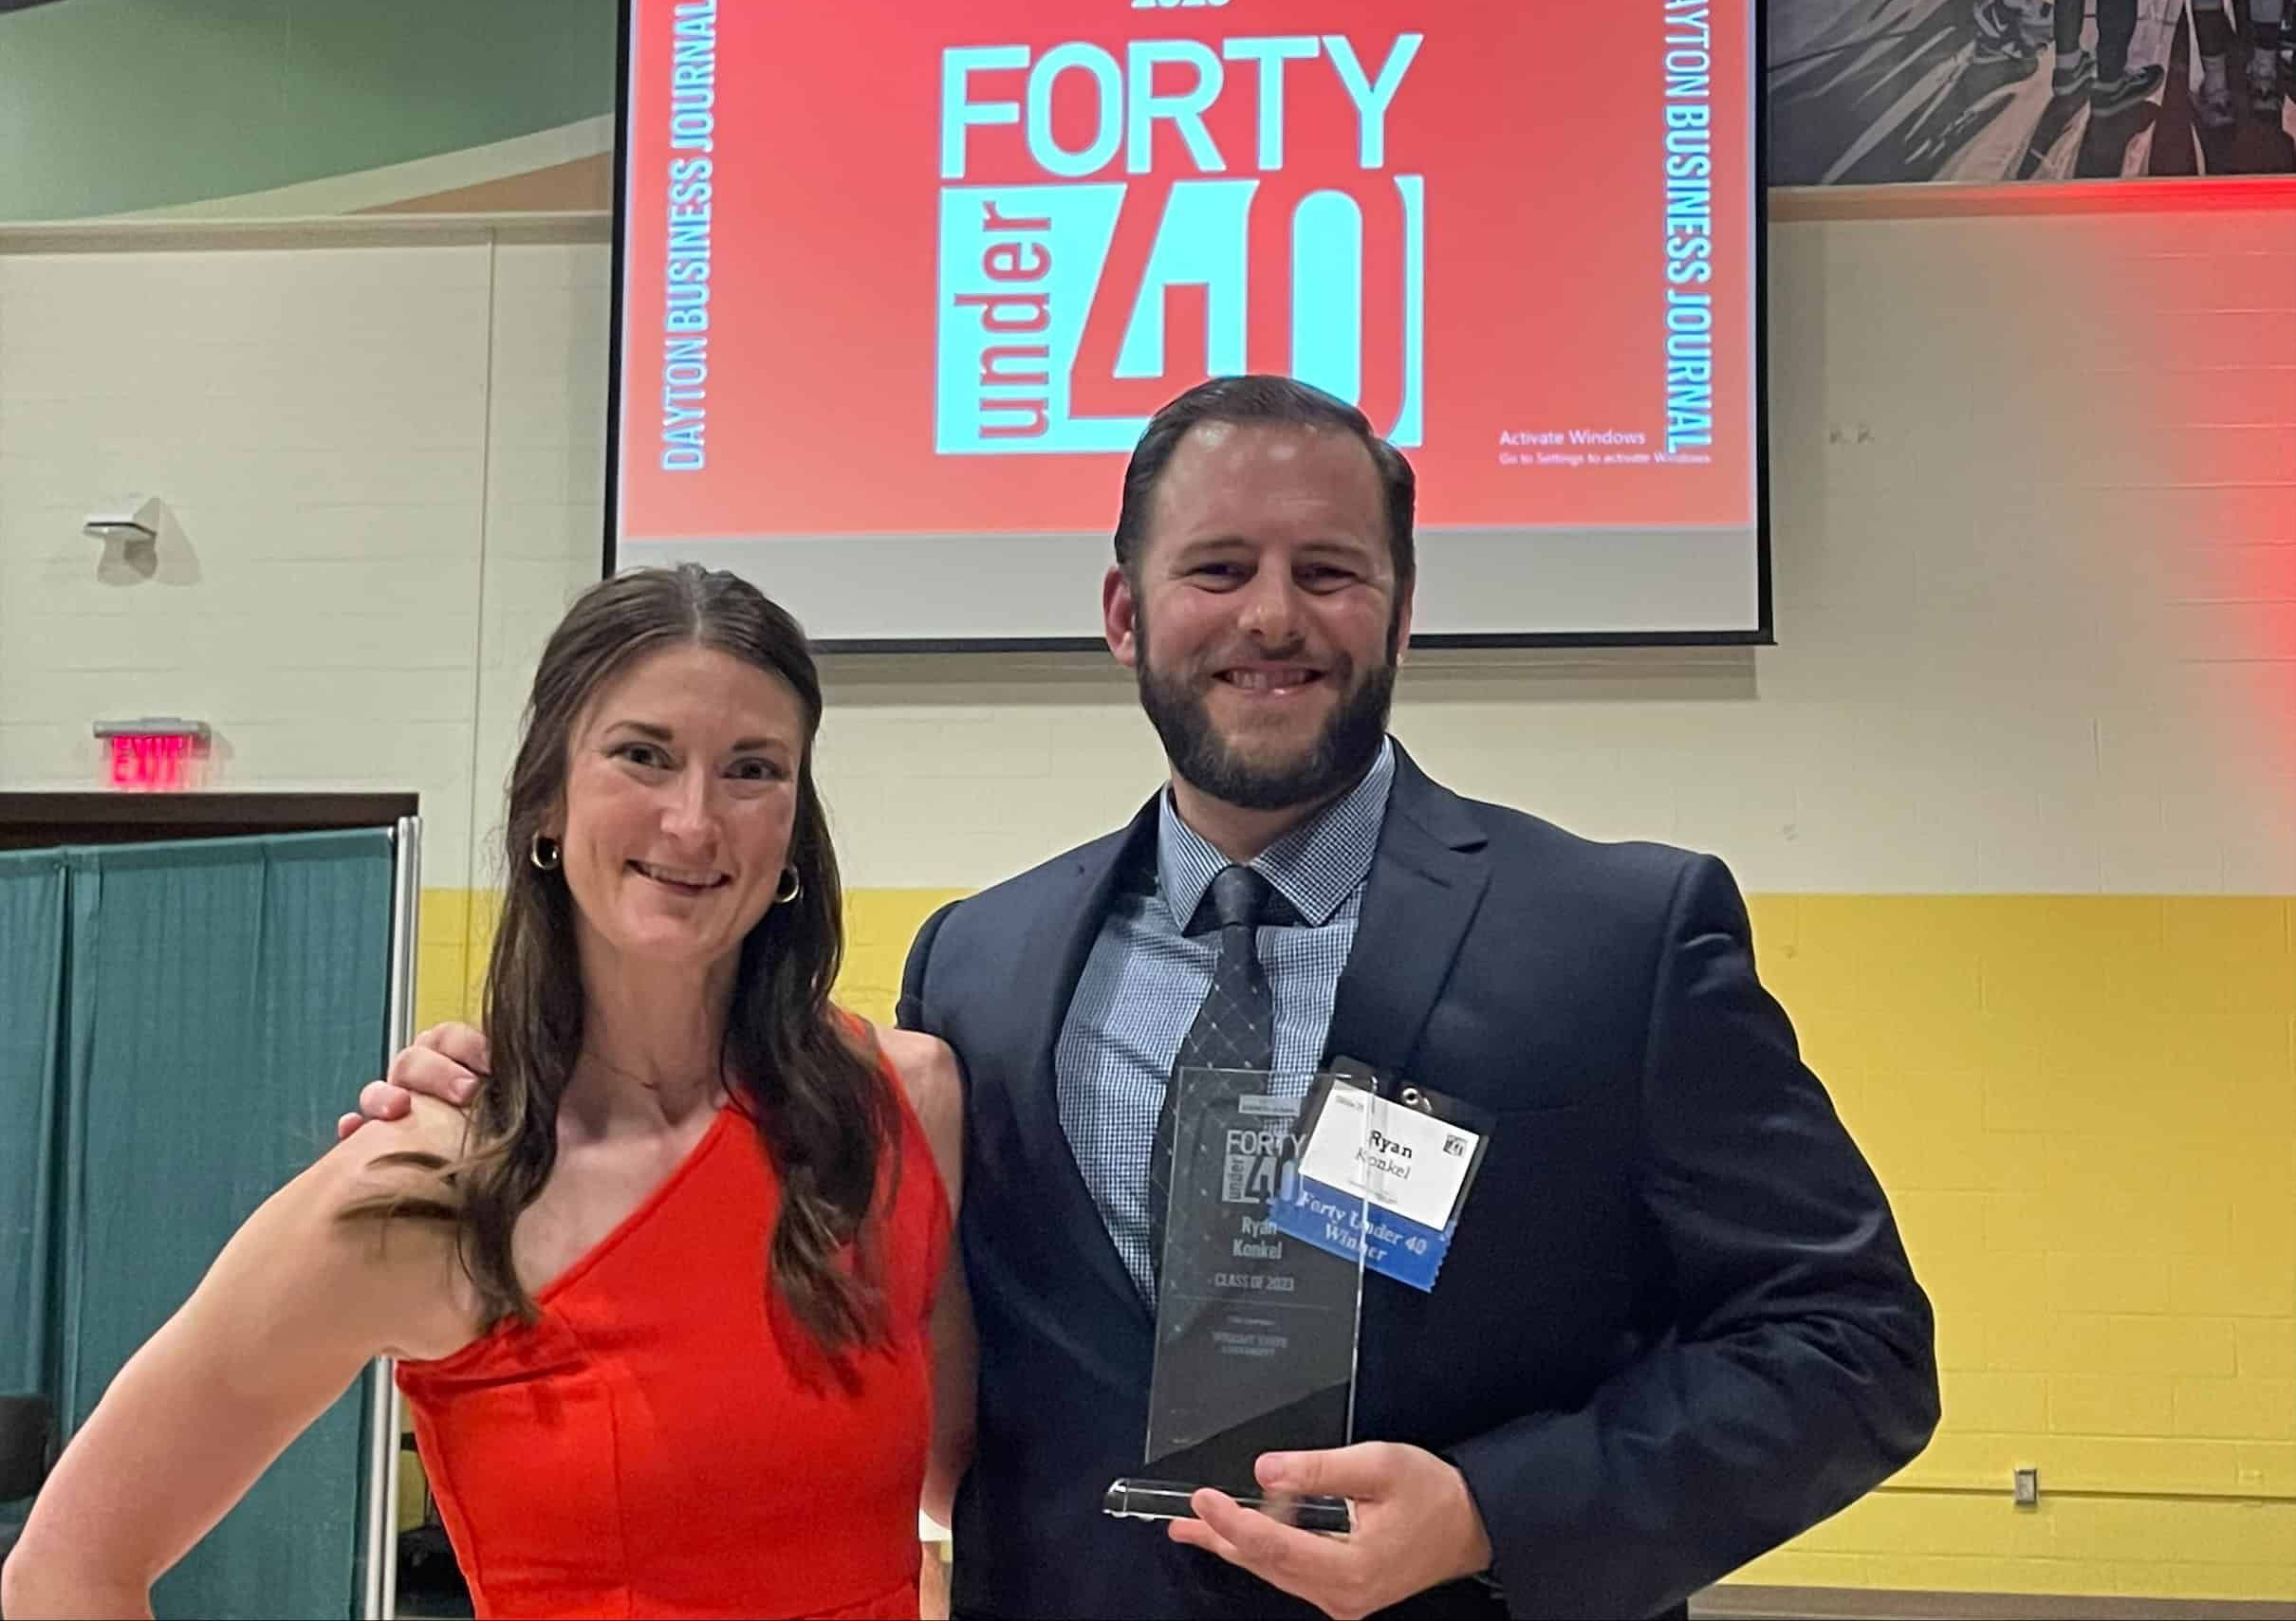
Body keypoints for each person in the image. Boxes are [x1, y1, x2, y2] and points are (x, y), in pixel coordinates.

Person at [364, 377, 1939, 1620]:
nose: (1273, 617)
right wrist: (527, 1079)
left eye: (1330, 572)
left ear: (1401, 609)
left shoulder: (1615, 938)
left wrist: (1486, 1514)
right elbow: (759, 1180)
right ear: (1125, 614)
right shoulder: (978, 971)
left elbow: (1852, 1345)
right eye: (1219, 569)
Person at [3, 565, 971, 1621]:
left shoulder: (901, 1110)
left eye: (751, 769)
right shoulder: (427, 1184)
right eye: (642, 755)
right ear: (548, 798)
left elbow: (967, 1487)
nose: (694, 822)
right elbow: (66, 1570)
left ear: (793, 823)